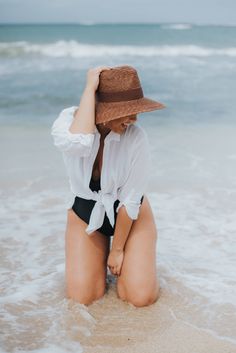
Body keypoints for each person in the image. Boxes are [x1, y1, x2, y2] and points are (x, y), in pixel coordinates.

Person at [51, 65, 165, 307]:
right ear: (105, 108)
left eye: (136, 110)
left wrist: (118, 250)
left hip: (130, 216)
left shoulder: (136, 137)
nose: (134, 118)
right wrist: (90, 88)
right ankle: (97, 259)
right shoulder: (68, 122)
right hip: (85, 213)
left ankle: (127, 262)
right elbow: (78, 144)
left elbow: (130, 201)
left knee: (138, 298)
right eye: (127, 111)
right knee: (82, 299)